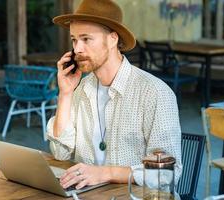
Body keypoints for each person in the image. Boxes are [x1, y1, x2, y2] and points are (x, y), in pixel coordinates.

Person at [47, 0, 182, 191]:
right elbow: (60, 153)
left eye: (86, 39)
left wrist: (105, 173)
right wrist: (65, 93)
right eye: (74, 40)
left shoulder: (155, 93)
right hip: (88, 195)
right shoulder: (80, 89)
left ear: (113, 39)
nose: (77, 49)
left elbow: (167, 172)